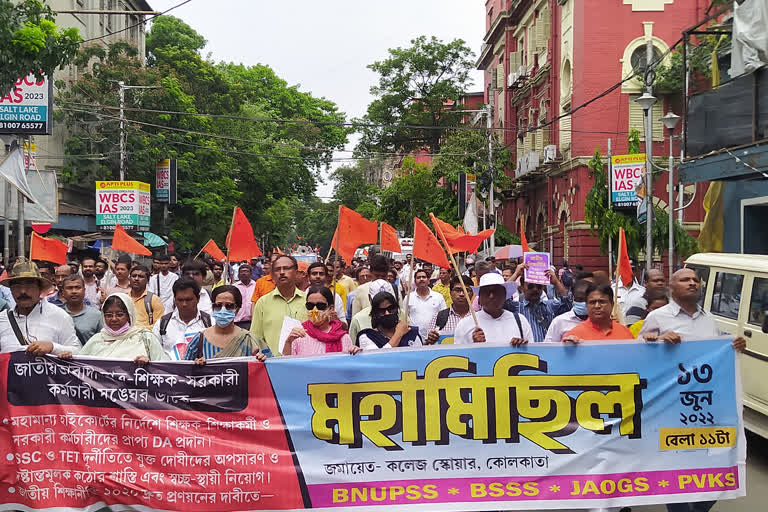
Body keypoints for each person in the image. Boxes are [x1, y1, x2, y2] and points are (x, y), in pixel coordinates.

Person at [639, 268, 745, 512]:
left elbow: (718, 350)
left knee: (714, 463)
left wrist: (735, 344)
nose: (692, 283)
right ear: (672, 287)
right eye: (685, 279)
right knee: (676, 463)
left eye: (695, 280)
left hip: (706, 407)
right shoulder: (658, 317)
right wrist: (657, 341)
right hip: (671, 407)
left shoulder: (708, 318)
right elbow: (640, 353)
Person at [0, 260, 80, 355]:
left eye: (29, 286)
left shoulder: (60, 316)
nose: (23, 291)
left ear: (40, 288)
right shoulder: (2, 319)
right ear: (11, 290)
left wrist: (53, 347)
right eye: (17, 286)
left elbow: (78, 352)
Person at [61, 293, 167, 362]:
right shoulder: (97, 340)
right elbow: (80, 366)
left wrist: (149, 365)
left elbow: (163, 369)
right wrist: (68, 358)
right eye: (108, 315)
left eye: (120, 314)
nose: (114, 319)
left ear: (129, 315)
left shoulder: (145, 338)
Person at [186, 285, 269, 362]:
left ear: (237, 309)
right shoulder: (200, 339)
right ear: (213, 307)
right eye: (218, 305)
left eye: (229, 306)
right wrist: (195, 366)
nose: (223, 310)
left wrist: (261, 361)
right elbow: (182, 370)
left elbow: (271, 366)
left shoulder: (249, 340)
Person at [250, 255, 308, 356]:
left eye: (286, 268)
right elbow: (256, 338)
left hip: (305, 362)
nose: (282, 272)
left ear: (296, 271)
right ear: (272, 274)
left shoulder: (308, 301)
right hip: (273, 364)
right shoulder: (263, 303)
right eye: (277, 269)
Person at [455, 273, 533, 345]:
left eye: (496, 291)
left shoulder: (520, 321)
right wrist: (474, 347)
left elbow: (532, 354)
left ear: (504, 295)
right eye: (487, 291)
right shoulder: (465, 325)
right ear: (480, 297)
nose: (491, 296)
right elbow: (458, 357)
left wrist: (521, 349)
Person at [283, 285, 359, 356]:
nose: (314, 310)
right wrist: (288, 342)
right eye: (310, 306)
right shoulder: (299, 335)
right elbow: (286, 365)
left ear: (331, 309)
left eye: (320, 306)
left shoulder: (343, 338)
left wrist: (354, 353)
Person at [504, 265, 571, 342]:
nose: (535, 289)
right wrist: (516, 274)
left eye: (539, 286)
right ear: (522, 287)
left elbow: (567, 304)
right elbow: (502, 299)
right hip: (527, 352)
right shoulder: (516, 307)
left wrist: (556, 282)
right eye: (530, 286)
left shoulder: (550, 306)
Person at [153, 278, 211, 360]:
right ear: (174, 300)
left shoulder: (210, 323)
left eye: (188, 300)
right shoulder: (162, 324)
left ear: (198, 299)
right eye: (180, 300)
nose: (184, 304)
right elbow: (154, 352)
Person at [562, 283, 635, 342]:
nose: (597, 306)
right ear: (586, 306)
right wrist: (569, 348)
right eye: (592, 302)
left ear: (612, 304)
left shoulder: (625, 332)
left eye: (602, 301)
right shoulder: (574, 336)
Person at [357, 291, 422, 349]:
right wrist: (398, 334)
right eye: (381, 311)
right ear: (375, 314)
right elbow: (377, 359)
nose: (387, 313)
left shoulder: (411, 334)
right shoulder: (367, 337)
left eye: (390, 309)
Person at [426, 276, 474, 345]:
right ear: (450, 293)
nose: (461, 294)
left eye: (466, 290)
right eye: (457, 290)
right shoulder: (438, 317)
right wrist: (430, 340)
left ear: (472, 294)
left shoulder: (478, 319)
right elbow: (427, 346)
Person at [61, 275, 103, 345]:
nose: (74, 291)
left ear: (84, 290)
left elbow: (101, 342)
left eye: (78, 288)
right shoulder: (57, 314)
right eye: (69, 288)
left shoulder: (96, 315)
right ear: (63, 292)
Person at [407, 269, 447, 338]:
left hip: (434, 336)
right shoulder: (408, 298)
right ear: (415, 281)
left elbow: (444, 316)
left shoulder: (438, 297)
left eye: (424, 277)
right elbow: (405, 317)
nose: (421, 279)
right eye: (418, 277)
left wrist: (437, 331)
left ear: (428, 280)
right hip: (414, 337)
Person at [307, 262, 346, 328]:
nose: (318, 276)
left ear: (326, 277)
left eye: (321, 274)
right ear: (308, 276)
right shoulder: (301, 296)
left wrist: (335, 320)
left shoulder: (335, 297)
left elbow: (345, 327)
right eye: (314, 274)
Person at [128, 264, 164, 328]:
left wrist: (139, 330)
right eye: (134, 276)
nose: (136, 279)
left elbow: (158, 324)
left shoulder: (154, 300)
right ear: (129, 279)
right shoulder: (124, 298)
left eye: (141, 276)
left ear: (148, 280)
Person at [233, 264, 257, 330]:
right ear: (238, 274)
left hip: (252, 322)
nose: (244, 273)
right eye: (242, 272)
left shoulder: (257, 286)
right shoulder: (234, 287)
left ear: (251, 274)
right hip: (237, 322)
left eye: (246, 271)